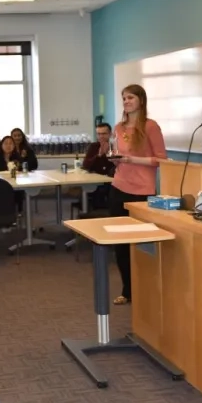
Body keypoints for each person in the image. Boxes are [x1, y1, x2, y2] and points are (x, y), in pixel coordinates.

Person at [108, 85, 167, 305]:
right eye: (123, 98)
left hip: (142, 191)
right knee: (120, 244)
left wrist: (133, 160)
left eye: (130, 97)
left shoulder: (151, 127)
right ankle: (127, 290)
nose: (126, 101)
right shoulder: (119, 127)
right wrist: (114, 158)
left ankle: (147, 289)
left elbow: (161, 160)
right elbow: (117, 153)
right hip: (119, 186)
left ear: (141, 100)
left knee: (142, 243)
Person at [82, 123, 116, 210]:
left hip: (111, 182)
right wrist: (99, 155)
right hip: (95, 183)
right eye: (98, 134)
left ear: (110, 134)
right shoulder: (93, 146)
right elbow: (85, 165)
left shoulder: (115, 147)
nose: (101, 136)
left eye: (104, 133)